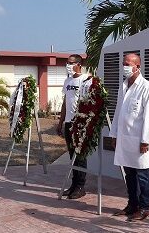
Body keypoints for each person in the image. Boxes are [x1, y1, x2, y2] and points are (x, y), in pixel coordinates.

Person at [110, 53, 149, 221]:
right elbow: (118, 112)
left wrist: (145, 140)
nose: (125, 67)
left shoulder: (146, 87)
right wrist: (114, 134)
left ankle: (145, 208)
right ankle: (132, 205)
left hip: (138, 140)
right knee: (129, 175)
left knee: (142, 175)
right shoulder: (124, 85)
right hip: (124, 139)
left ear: (138, 66)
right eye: (123, 63)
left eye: (128, 64)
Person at [56, 54, 89, 199]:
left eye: (70, 63)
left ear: (79, 64)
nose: (68, 66)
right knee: (72, 156)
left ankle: (81, 186)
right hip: (69, 123)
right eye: (67, 63)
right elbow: (65, 102)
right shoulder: (67, 81)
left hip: (79, 124)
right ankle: (73, 185)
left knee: (80, 156)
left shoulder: (86, 80)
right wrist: (61, 121)